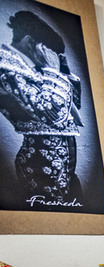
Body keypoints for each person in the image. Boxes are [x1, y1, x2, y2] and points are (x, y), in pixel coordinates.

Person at [0, 10, 82, 209]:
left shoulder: (32, 68)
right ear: (30, 43)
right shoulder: (6, 65)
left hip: (59, 163)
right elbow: (50, 113)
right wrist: (52, 70)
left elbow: (73, 105)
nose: (52, 58)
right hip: (39, 162)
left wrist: (62, 70)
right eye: (49, 50)